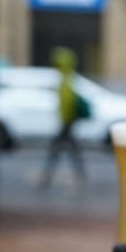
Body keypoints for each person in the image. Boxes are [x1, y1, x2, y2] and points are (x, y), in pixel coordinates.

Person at [40, 48, 89, 188]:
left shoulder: (65, 81)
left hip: (66, 124)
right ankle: (80, 176)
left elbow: (67, 103)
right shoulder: (67, 78)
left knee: (56, 151)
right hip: (67, 123)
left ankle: (46, 178)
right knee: (71, 151)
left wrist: (65, 121)